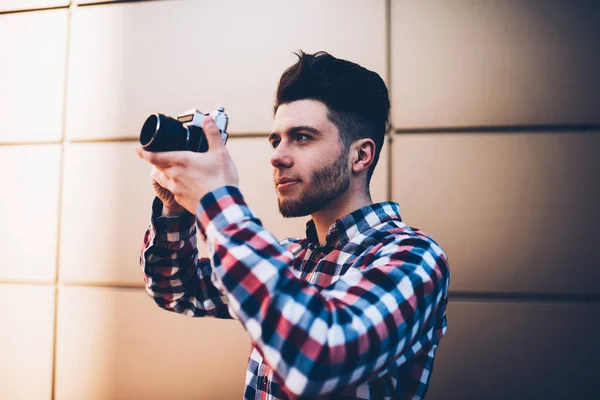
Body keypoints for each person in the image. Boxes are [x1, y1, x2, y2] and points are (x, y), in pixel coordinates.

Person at [136, 50, 450, 399]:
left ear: (361, 155)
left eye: (302, 137)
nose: (277, 156)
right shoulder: (288, 258)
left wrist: (217, 201)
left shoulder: (414, 257)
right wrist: (176, 207)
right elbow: (176, 289)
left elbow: (320, 357)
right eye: (276, 139)